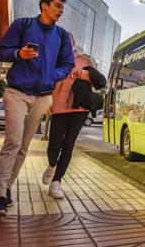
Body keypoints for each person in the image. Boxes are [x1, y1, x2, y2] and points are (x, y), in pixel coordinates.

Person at [0, 0, 74, 219]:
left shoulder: (63, 36)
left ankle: (6, 188)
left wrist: (51, 75)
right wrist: (19, 53)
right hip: (17, 93)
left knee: (24, 146)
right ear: (44, 6)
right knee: (13, 142)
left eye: (62, 7)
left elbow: (68, 64)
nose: (61, 10)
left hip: (43, 96)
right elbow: (0, 51)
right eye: (57, 5)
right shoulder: (22, 25)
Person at [42, 35, 95, 199]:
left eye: (69, 40)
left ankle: (56, 182)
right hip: (58, 106)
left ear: (73, 43)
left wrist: (80, 73)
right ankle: (51, 165)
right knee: (54, 145)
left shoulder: (85, 60)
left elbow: (93, 80)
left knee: (68, 145)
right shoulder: (52, 59)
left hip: (79, 107)